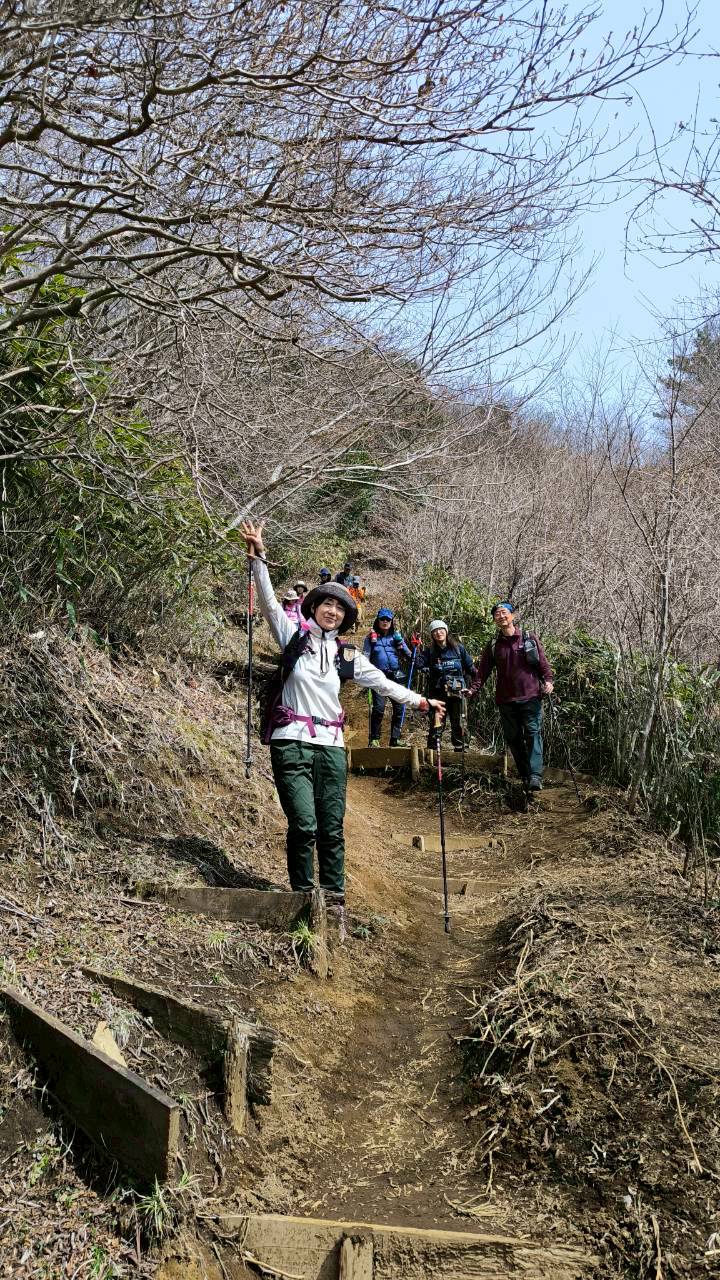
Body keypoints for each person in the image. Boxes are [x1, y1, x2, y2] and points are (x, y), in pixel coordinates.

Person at [240, 520, 445, 932]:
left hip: (331, 746)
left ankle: (333, 900)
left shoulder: (347, 656)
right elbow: (265, 602)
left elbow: (384, 684)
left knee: (331, 827)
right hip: (291, 741)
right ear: (312, 608)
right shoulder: (292, 638)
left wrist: (421, 701)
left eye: (339, 609)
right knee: (303, 823)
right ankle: (302, 896)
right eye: (325, 605)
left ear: (345, 617)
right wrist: (258, 557)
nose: (332, 611)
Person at [471, 601, 554, 791]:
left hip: (531, 696)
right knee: (514, 738)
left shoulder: (528, 638)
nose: (501, 616)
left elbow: (543, 664)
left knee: (533, 734)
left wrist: (548, 682)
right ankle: (525, 775)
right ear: (494, 620)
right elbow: (482, 672)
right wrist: (473, 690)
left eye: (504, 613)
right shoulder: (493, 645)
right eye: (497, 614)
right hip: (506, 700)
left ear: (512, 616)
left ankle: (535, 776)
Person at [418, 620, 475, 750]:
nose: (438, 633)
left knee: (459, 723)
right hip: (438, 694)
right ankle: (432, 753)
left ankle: (461, 751)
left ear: (446, 631)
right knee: (437, 723)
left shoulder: (458, 649)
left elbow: (470, 667)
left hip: (457, 692)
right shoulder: (430, 651)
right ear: (432, 635)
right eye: (434, 631)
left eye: (441, 629)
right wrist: (420, 659)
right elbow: (418, 664)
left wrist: (475, 685)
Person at [363, 608, 412, 747]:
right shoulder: (370, 638)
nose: (385, 622)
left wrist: (412, 649)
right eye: (382, 619)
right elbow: (365, 655)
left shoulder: (396, 638)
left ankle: (395, 739)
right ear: (377, 621)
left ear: (391, 622)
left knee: (399, 707)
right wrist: (365, 672)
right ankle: (374, 739)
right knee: (378, 708)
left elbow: (409, 655)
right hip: (378, 677)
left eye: (388, 620)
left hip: (395, 676)